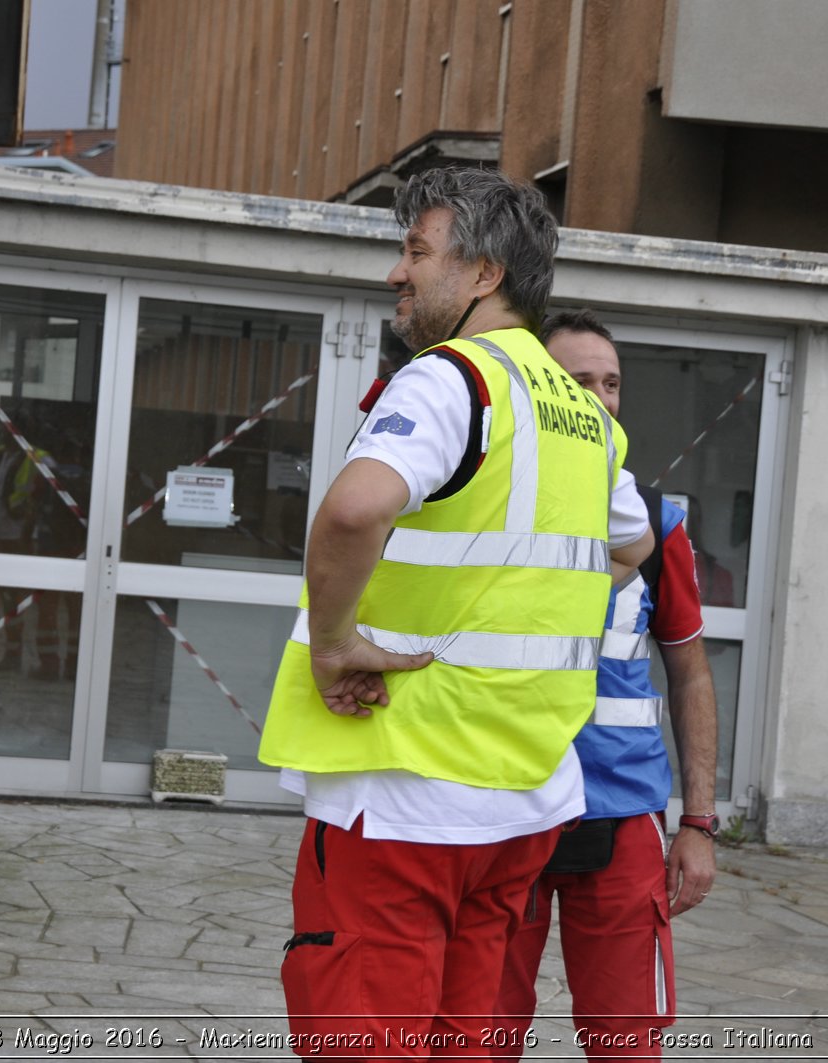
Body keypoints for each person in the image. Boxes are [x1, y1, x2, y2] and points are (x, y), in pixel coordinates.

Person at [257, 167, 653, 1059]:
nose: (398, 272)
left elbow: (355, 510)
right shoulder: (583, 418)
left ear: (483, 275)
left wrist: (333, 644)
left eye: (416, 251)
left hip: (402, 789)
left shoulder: (448, 381)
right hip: (520, 803)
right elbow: (631, 541)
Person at [493, 310, 720, 1060]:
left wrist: (698, 823)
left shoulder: (657, 523)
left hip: (622, 820)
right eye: (579, 380)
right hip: (505, 810)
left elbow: (689, 674)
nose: (600, 395)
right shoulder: (495, 504)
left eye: (612, 382)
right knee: (475, 1034)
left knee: (627, 1044)